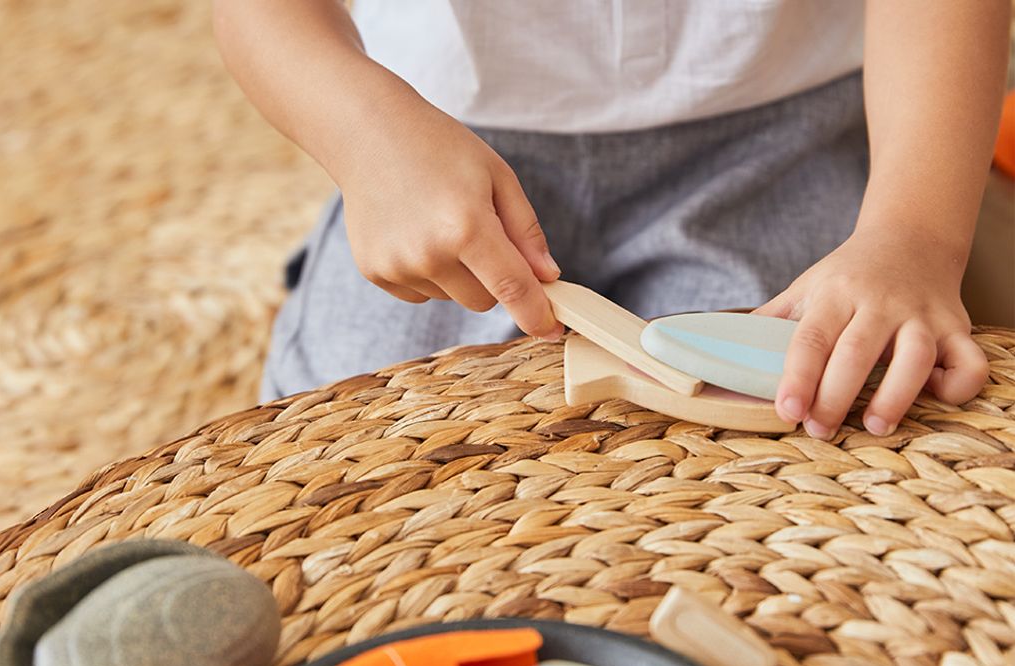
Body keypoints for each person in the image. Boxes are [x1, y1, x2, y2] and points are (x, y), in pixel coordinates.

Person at [215, 1, 1009, 440]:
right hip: (426, 122)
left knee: (782, 422)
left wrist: (912, 234)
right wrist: (364, 139)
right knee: (349, 438)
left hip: (777, 127)